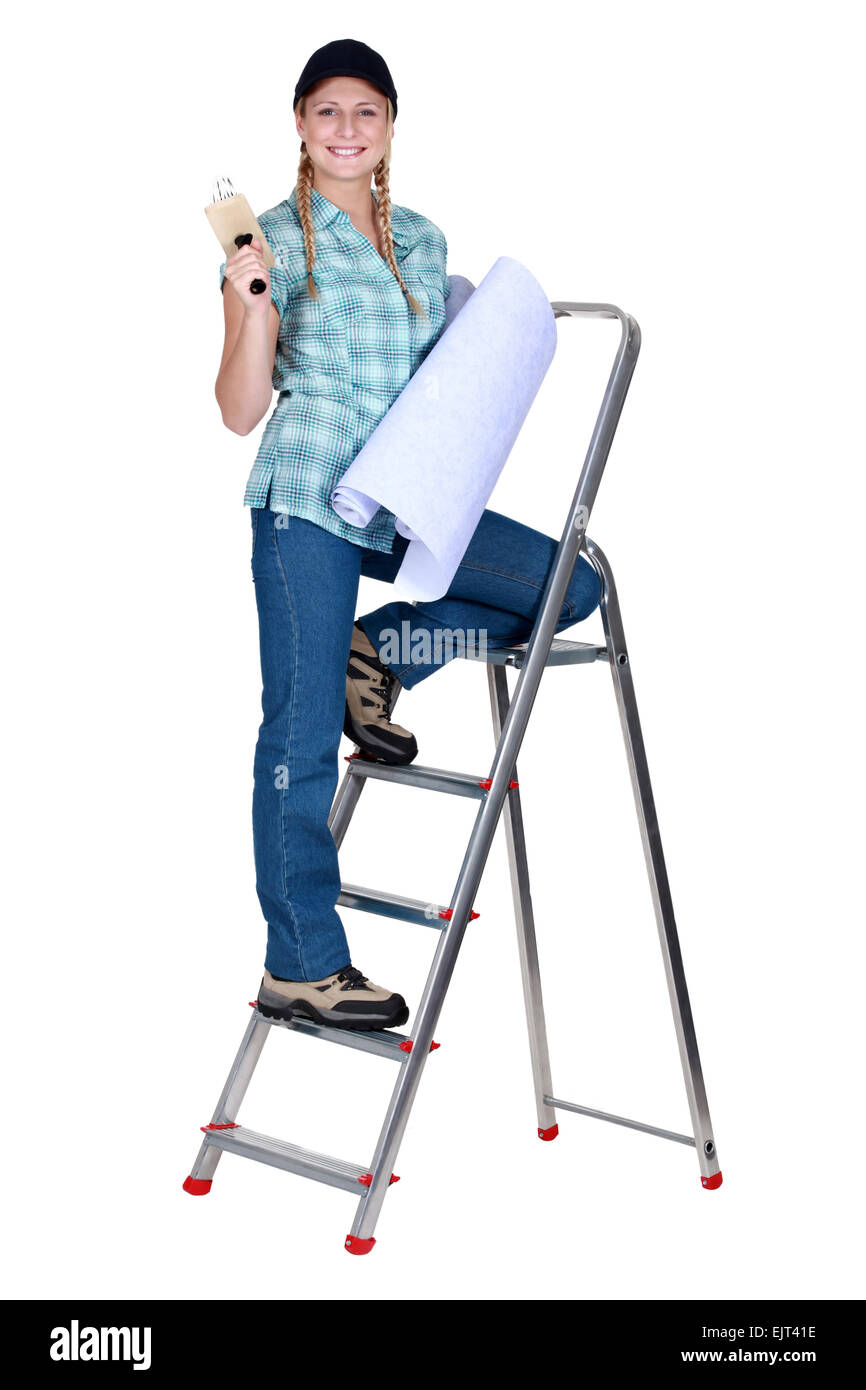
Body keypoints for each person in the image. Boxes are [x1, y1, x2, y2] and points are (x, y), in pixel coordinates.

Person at [215, 39, 601, 1034]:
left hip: (406, 490)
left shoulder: (424, 241)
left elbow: (449, 385)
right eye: (326, 111)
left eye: (366, 112)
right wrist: (247, 310)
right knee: (297, 738)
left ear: (389, 128)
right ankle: (302, 959)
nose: (346, 129)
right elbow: (238, 408)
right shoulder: (273, 240)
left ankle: (383, 649)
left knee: (570, 584)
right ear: (299, 123)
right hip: (308, 494)